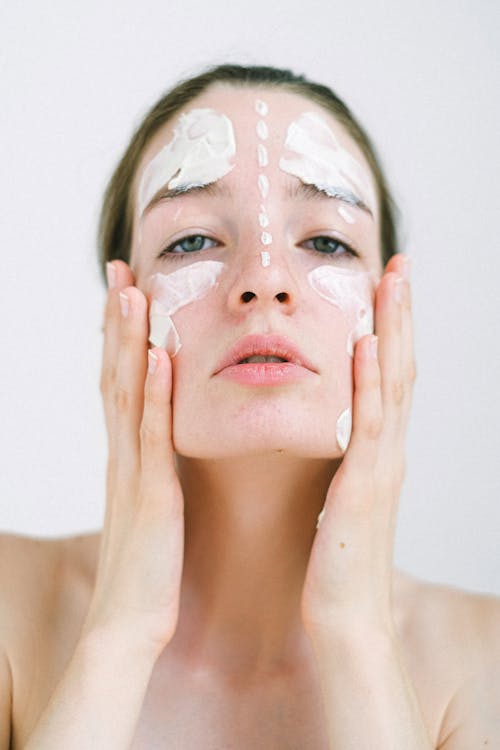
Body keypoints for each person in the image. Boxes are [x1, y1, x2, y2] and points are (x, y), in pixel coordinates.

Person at [1, 64, 499, 749]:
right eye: (193, 239)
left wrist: (359, 636)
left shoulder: (486, 661)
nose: (265, 279)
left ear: (393, 318)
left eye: (327, 240)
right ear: (122, 318)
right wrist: (120, 632)